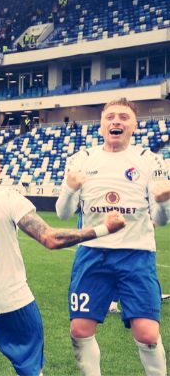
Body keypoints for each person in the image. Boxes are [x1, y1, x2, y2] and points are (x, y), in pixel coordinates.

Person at [0, 142, 127, 376]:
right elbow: (50, 238)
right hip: (12, 301)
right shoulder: (7, 196)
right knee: (30, 368)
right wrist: (104, 228)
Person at [55, 99, 170, 376]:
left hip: (137, 254)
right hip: (92, 252)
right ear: (101, 125)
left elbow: (162, 219)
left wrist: (164, 201)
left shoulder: (149, 160)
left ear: (134, 126)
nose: (116, 121)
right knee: (80, 330)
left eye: (123, 117)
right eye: (110, 117)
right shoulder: (82, 159)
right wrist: (70, 189)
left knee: (147, 333)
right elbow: (63, 214)